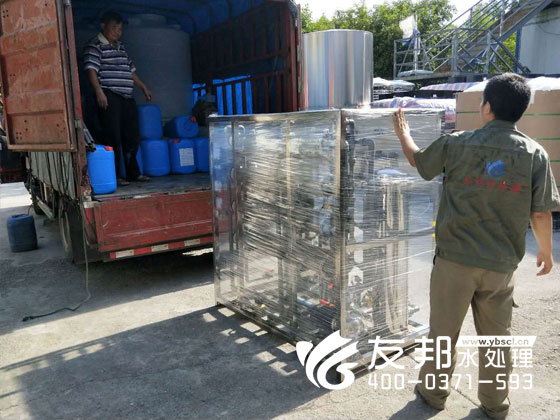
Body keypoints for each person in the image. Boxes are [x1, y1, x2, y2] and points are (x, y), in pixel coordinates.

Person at [392, 73, 560, 419]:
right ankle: (495, 405)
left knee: (443, 335)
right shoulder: (535, 154)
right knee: (496, 339)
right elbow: (541, 213)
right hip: (500, 267)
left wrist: (403, 134)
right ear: (522, 111)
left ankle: (434, 395)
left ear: (486, 107)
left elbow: (418, 162)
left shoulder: (457, 143)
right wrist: (545, 251)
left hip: (454, 262)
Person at [83, 11, 151, 186]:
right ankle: (115, 175)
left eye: (120, 29)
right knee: (112, 136)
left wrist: (143, 87)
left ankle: (133, 173)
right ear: (103, 26)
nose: (118, 32)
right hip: (110, 95)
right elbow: (91, 70)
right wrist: (99, 92)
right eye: (114, 28)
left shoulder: (121, 47)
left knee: (132, 136)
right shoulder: (95, 45)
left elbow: (130, 70)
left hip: (127, 97)